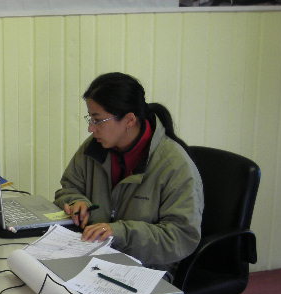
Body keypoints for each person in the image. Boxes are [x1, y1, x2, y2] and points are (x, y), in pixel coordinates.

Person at [54, 72, 204, 278]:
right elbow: (69, 187)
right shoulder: (94, 149)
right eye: (90, 118)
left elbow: (181, 237)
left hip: (147, 268)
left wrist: (119, 232)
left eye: (98, 120)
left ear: (129, 120)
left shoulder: (174, 165)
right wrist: (77, 201)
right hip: (96, 255)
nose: (91, 128)